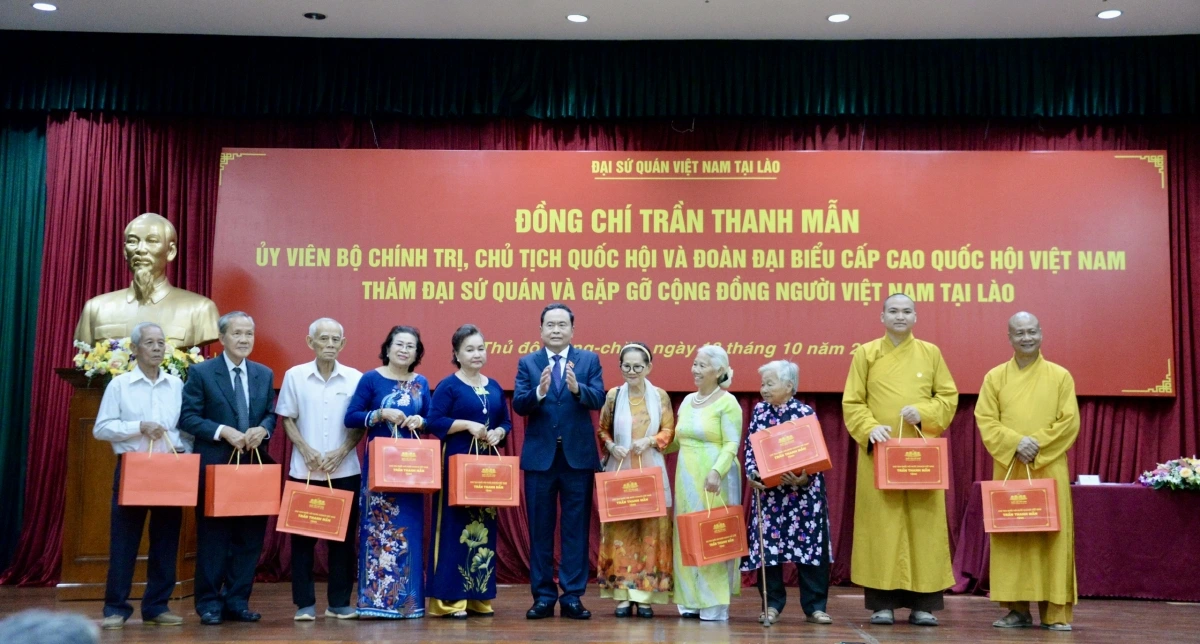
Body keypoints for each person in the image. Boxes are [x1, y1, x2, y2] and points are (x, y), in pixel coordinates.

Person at [842, 294, 958, 627]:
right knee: (882, 527)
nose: (900, 316)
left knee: (923, 527)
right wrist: (869, 427)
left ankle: (924, 605)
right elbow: (853, 401)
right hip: (880, 453)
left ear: (915, 317)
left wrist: (924, 413)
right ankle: (883, 604)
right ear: (882, 316)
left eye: (907, 311)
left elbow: (947, 397)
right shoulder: (866, 353)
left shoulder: (930, 353)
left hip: (920, 457)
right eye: (893, 311)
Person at [975, 312, 1079, 632]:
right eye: (1019, 333)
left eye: (1032, 331)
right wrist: (1015, 443)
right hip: (1010, 466)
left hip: (1048, 465)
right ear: (1009, 337)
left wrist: (1036, 446)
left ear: (1041, 333)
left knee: (1052, 537)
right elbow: (986, 419)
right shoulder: (995, 377)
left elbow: (1069, 421)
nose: (1026, 338)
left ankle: (1055, 611)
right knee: (1013, 536)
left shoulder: (1060, 376)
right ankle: (1017, 610)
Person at [179, 311, 277, 625]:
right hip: (216, 468)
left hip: (253, 467)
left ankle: (237, 601)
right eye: (237, 333)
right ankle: (209, 604)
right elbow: (188, 418)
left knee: (249, 540)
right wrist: (223, 431)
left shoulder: (264, 373)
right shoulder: (202, 372)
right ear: (222, 338)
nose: (244, 339)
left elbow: (270, 414)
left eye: (249, 333)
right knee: (214, 540)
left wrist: (263, 429)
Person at [92, 322, 190, 630]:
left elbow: (185, 428)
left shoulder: (176, 384)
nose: (158, 348)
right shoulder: (120, 385)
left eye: (161, 342)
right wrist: (139, 427)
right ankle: (115, 609)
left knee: (166, 541)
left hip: (170, 469)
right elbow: (101, 428)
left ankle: (157, 606)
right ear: (134, 349)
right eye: (150, 343)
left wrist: (182, 450)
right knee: (125, 541)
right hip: (133, 468)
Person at [513, 303, 605, 620]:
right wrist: (538, 392)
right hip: (541, 460)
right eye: (550, 325)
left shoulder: (588, 360)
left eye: (561, 324)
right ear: (541, 330)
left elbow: (599, 398)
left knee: (575, 531)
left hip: (577, 460)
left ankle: (572, 596)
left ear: (572, 330)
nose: (556, 330)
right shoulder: (528, 363)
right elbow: (520, 405)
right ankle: (542, 596)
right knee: (540, 531)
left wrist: (579, 389)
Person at [276, 318, 364, 621]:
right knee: (302, 542)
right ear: (310, 342)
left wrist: (341, 451)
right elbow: (287, 417)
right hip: (305, 471)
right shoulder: (295, 375)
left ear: (343, 344)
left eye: (335, 339)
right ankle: (305, 605)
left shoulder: (355, 378)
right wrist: (305, 449)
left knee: (343, 542)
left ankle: (339, 603)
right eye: (323, 338)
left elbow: (359, 424)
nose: (329, 344)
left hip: (345, 471)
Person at [344, 325, 431, 619]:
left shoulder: (421, 382)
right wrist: (380, 414)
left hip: (412, 469)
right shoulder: (371, 379)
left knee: (410, 535)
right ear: (388, 347)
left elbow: (431, 419)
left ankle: (409, 605)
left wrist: (420, 421)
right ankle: (375, 603)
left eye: (410, 346)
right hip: (380, 469)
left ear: (417, 353)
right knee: (377, 533)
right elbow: (351, 417)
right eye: (399, 344)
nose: (404, 350)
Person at [426, 324, 513, 618]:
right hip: (456, 464)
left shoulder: (494, 385)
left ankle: (478, 596)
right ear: (457, 354)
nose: (477, 354)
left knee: (483, 529)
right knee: (454, 528)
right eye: (470, 349)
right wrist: (466, 425)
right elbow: (433, 421)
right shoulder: (449, 386)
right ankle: (449, 600)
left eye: (480, 348)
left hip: (486, 469)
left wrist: (500, 432)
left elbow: (505, 421)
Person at [743, 360, 833, 626]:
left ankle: (815, 607)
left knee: (810, 550)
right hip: (770, 495)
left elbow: (816, 452)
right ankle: (771, 605)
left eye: (770, 384)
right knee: (769, 550)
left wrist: (806, 477)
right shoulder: (760, 411)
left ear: (789, 385)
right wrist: (753, 475)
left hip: (803, 496)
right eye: (763, 384)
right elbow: (750, 448)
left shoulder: (805, 412)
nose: (764, 389)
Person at [596, 342, 675, 618]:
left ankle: (645, 597)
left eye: (637, 366)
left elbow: (669, 431)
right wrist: (611, 446)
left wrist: (650, 440)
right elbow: (602, 429)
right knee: (621, 532)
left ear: (649, 367)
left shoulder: (660, 396)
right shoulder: (613, 396)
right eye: (626, 366)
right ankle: (622, 595)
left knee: (650, 533)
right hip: (620, 470)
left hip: (650, 470)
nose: (632, 371)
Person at [667, 344, 742, 621]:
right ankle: (689, 600)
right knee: (686, 533)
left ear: (719, 370)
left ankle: (713, 602)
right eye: (694, 364)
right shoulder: (688, 401)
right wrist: (650, 445)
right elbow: (677, 440)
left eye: (702, 365)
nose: (695, 370)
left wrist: (717, 471)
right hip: (686, 477)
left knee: (712, 535)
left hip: (715, 478)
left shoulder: (728, 402)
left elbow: (732, 442)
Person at [74, 212, 218, 347]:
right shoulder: (96, 308)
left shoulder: (200, 309)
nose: (140, 249)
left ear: (171, 251)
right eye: (132, 242)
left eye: (152, 241)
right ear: (125, 251)